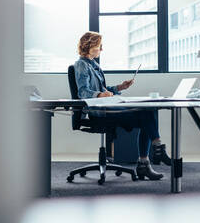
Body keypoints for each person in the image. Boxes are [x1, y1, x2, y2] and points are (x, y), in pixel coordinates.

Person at [73, 31, 171, 180]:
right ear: (91, 46)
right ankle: (156, 151)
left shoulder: (94, 65)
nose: (101, 49)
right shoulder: (81, 64)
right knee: (146, 113)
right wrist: (100, 95)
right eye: (100, 46)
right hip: (100, 111)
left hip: (107, 105)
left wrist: (120, 87)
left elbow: (104, 90)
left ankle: (148, 160)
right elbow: (83, 92)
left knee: (148, 111)